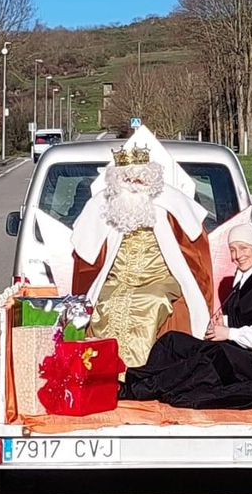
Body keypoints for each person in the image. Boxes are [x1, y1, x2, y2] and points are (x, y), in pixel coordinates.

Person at [70, 125, 214, 368]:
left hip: (158, 279)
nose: (134, 184)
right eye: (128, 179)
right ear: (118, 180)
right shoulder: (106, 205)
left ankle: (136, 371)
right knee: (105, 305)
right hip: (118, 279)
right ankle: (106, 370)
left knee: (150, 303)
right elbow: (87, 253)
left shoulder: (169, 202)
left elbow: (194, 248)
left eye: (139, 178)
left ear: (150, 178)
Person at [122, 221, 252, 409]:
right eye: (232, 250)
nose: (237, 256)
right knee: (173, 341)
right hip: (243, 353)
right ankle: (139, 380)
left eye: (243, 248)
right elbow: (247, 316)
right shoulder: (246, 279)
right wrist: (224, 321)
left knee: (209, 358)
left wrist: (228, 333)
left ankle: (138, 390)